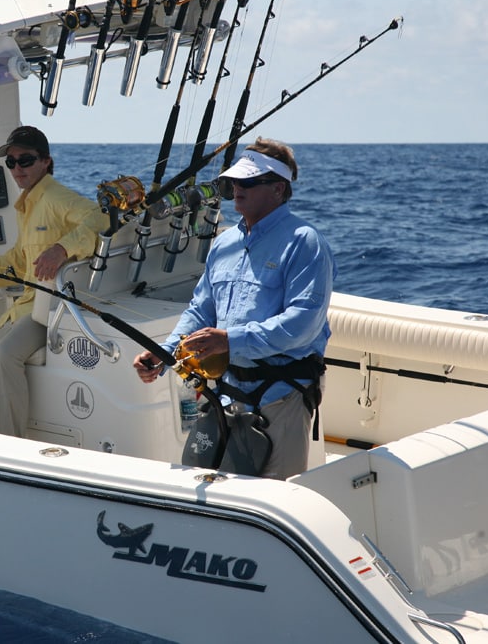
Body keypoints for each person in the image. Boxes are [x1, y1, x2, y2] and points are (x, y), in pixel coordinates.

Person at [132, 137, 336, 479]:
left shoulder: (305, 242)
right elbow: (201, 311)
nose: (237, 188)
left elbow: (303, 324)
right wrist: (165, 353)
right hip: (222, 396)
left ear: (278, 188)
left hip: (280, 400)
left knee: (272, 502)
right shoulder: (224, 242)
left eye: (249, 181)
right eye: (234, 181)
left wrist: (230, 340)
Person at [0, 125, 109, 436]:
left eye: (26, 160)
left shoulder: (56, 197)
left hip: (47, 312)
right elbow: (17, 263)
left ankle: (11, 447)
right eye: (11, 162)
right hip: (25, 309)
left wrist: (62, 249)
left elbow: (100, 218)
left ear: (46, 161)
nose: (17, 169)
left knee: (5, 356)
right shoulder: (27, 204)